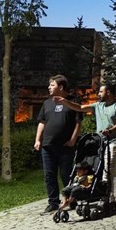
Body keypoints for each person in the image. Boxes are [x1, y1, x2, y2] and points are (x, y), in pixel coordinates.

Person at [56, 83, 116, 207]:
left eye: (101, 92)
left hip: (113, 142)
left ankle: (108, 197)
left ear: (109, 92)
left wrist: (110, 130)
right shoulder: (97, 106)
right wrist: (65, 102)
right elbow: (80, 107)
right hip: (100, 142)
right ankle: (100, 193)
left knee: (108, 170)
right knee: (97, 169)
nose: (98, 94)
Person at [34, 74, 81, 213]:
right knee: (49, 175)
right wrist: (37, 139)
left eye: (52, 85)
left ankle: (71, 200)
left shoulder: (73, 101)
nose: (49, 87)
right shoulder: (47, 103)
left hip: (65, 146)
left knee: (67, 174)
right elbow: (42, 122)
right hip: (48, 145)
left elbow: (78, 122)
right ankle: (53, 202)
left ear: (60, 87)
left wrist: (73, 139)